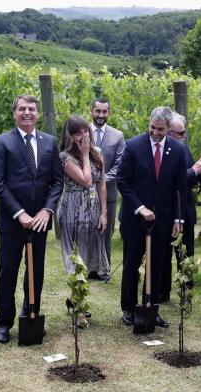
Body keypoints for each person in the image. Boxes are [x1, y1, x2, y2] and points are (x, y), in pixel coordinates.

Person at [0, 94, 63, 344]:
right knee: (7, 270)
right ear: (14, 114)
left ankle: (30, 314)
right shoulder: (2, 142)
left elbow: (57, 181)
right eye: (22, 109)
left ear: (38, 113)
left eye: (31, 109)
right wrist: (20, 213)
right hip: (12, 221)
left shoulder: (50, 142)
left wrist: (47, 210)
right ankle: (4, 322)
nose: (27, 113)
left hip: (40, 221)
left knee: (36, 270)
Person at [117, 106, 187, 328]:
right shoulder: (133, 146)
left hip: (162, 219)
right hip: (135, 218)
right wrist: (140, 208)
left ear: (168, 128)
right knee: (132, 262)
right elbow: (122, 181)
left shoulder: (177, 150)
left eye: (161, 129)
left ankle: (152, 307)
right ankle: (128, 308)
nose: (155, 133)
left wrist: (178, 219)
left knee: (157, 263)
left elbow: (180, 187)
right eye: (152, 128)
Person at [158, 112, 201, 302]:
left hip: (185, 211)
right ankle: (162, 293)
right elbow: (171, 183)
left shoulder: (183, 150)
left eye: (184, 132)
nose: (184, 136)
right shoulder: (159, 152)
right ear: (168, 132)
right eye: (180, 133)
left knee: (186, 255)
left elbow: (192, 177)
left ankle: (185, 292)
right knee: (163, 255)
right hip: (167, 211)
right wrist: (192, 172)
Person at [58, 115, 109, 283]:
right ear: (71, 136)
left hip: (92, 203)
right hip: (72, 204)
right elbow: (86, 181)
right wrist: (85, 155)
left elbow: (101, 183)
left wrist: (104, 212)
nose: (84, 136)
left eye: (86, 131)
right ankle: (76, 274)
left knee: (93, 237)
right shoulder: (66, 157)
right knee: (75, 241)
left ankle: (94, 269)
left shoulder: (98, 152)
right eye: (79, 133)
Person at [90, 98, 124, 268]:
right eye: (98, 111)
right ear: (91, 111)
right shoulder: (82, 132)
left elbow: (119, 165)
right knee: (86, 230)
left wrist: (101, 180)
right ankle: (87, 268)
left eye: (104, 111)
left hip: (109, 193)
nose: (101, 115)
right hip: (84, 191)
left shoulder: (117, 135)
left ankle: (104, 268)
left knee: (106, 231)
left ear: (109, 113)